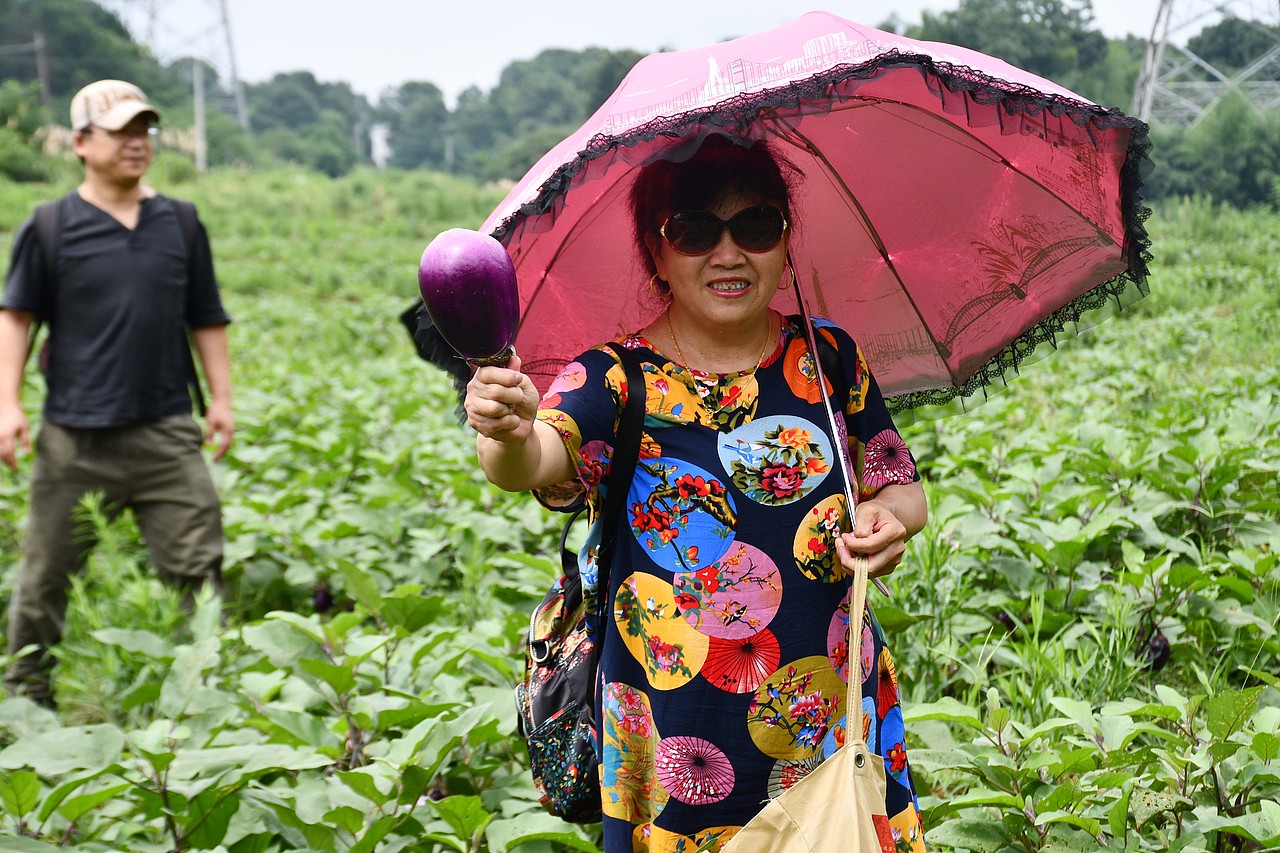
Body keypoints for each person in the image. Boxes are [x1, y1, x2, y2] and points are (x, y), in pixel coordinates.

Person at [465, 134, 929, 852]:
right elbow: (532, 459)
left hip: (832, 715)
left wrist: (884, 521)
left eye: (755, 226)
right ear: (656, 250)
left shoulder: (829, 356)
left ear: (783, 239)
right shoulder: (617, 381)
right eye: (694, 230)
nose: (728, 253)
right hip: (675, 735)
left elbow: (902, 490)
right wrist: (505, 426)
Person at [0, 79, 234, 707]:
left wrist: (220, 399)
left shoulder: (180, 222)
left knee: (198, 567)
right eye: (120, 132)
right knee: (45, 575)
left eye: (144, 132)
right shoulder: (49, 226)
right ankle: (25, 700)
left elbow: (206, 317)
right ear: (80, 143)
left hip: (166, 431)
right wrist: (9, 404)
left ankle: (203, 695)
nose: (136, 144)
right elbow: (16, 317)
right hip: (74, 437)